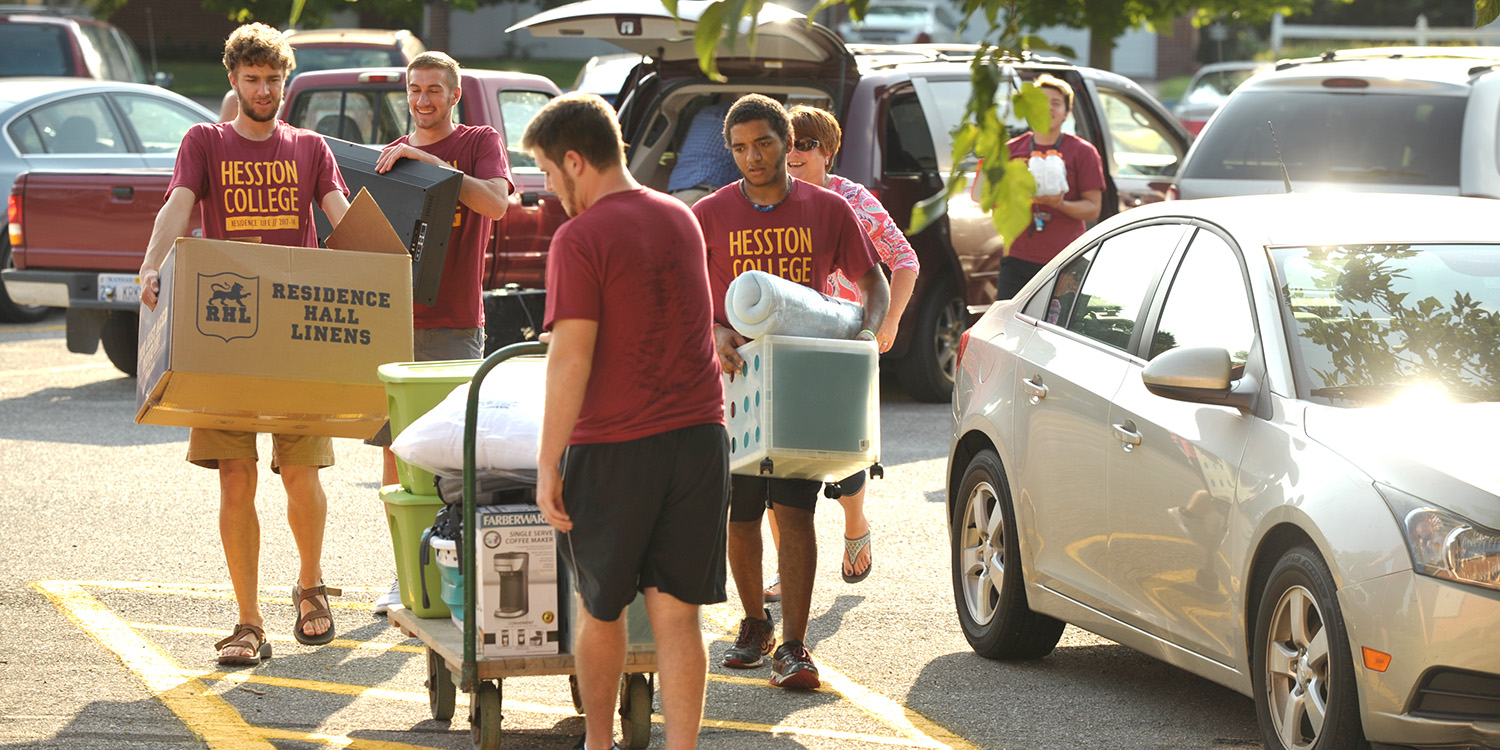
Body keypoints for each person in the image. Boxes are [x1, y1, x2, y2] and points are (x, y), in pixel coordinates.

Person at [138, 22, 351, 665]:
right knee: (236, 477)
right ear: (233, 80)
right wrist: (151, 265)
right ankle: (248, 621)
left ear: (285, 81)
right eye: (252, 79)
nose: (264, 89)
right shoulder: (204, 141)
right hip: (224, 333)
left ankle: (310, 588)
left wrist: (385, 270)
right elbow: (178, 205)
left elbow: (342, 215)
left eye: (273, 79)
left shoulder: (310, 147)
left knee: (303, 473)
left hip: (298, 339)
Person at [524, 92, 730, 750]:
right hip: (699, 438)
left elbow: (570, 360)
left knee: (600, 606)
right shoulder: (680, 218)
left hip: (615, 445)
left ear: (576, 161)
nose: (552, 192)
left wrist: (547, 462)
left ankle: (597, 744)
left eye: (551, 175)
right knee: (677, 617)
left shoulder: (579, 237)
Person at [695, 93, 890, 690]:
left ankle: (797, 646)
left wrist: (866, 331)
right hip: (735, 381)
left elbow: (872, 282)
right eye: (740, 147)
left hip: (799, 379)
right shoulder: (708, 215)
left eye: (764, 143)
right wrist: (716, 330)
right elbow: (684, 297)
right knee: (742, 510)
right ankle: (755, 626)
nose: (752, 157)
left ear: (789, 143)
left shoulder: (828, 209)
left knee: (796, 509)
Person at [367, 51, 513, 615]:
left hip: (455, 324)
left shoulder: (477, 141)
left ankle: (458, 571)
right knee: (394, 456)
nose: (422, 100)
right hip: (393, 326)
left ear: (454, 95)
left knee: (456, 454)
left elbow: (496, 205)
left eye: (433, 89)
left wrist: (426, 167)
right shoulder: (390, 157)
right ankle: (405, 573)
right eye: (414, 89)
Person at [762, 104, 920, 601]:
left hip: (844, 342)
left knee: (843, 450)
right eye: (785, 144)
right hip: (783, 342)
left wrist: (887, 322)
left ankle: (855, 521)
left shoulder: (852, 199)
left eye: (804, 145)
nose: (793, 155)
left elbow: (904, 259)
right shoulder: (769, 198)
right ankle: (787, 569)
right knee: (773, 456)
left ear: (827, 152)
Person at [996, 74, 1105, 301]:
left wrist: (1060, 204)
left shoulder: (1083, 152)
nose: (1047, 108)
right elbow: (996, 204)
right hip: (1017, 259)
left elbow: (1093, 208)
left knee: (1059, 329)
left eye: (1056, 103)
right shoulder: (1010, 150)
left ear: (1066, 113)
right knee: (1006, 329)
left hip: (1066, 260)